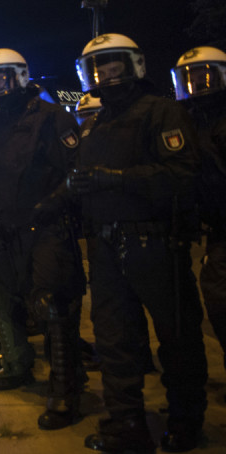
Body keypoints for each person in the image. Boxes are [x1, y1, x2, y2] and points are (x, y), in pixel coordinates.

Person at [53, 33, 207, 453]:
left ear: (132, 65)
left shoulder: (160, 111)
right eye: (96, 68)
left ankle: (186, 421)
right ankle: (126, 424)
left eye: (112, 64)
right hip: (105, 248)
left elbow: (182, 175)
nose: (103, 74)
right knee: (114, 341)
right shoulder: (98, 123)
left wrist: (116, 180)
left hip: (154, 242)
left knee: (176, 338)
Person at [0, 47, 86, 432]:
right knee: (21, 304)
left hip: (48, 228)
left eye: (1, 78)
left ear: (20, 76)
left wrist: (50, 206)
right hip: (10, 232)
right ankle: (22, 368)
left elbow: (77, 171)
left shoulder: (52, 116)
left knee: (55, 306)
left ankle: (66, 391)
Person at [173, 45, 226, 404]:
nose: (199, 84)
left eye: (206, 75)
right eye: (191, 78)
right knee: (219, 303)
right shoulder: (190, 121)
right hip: (217, 230)